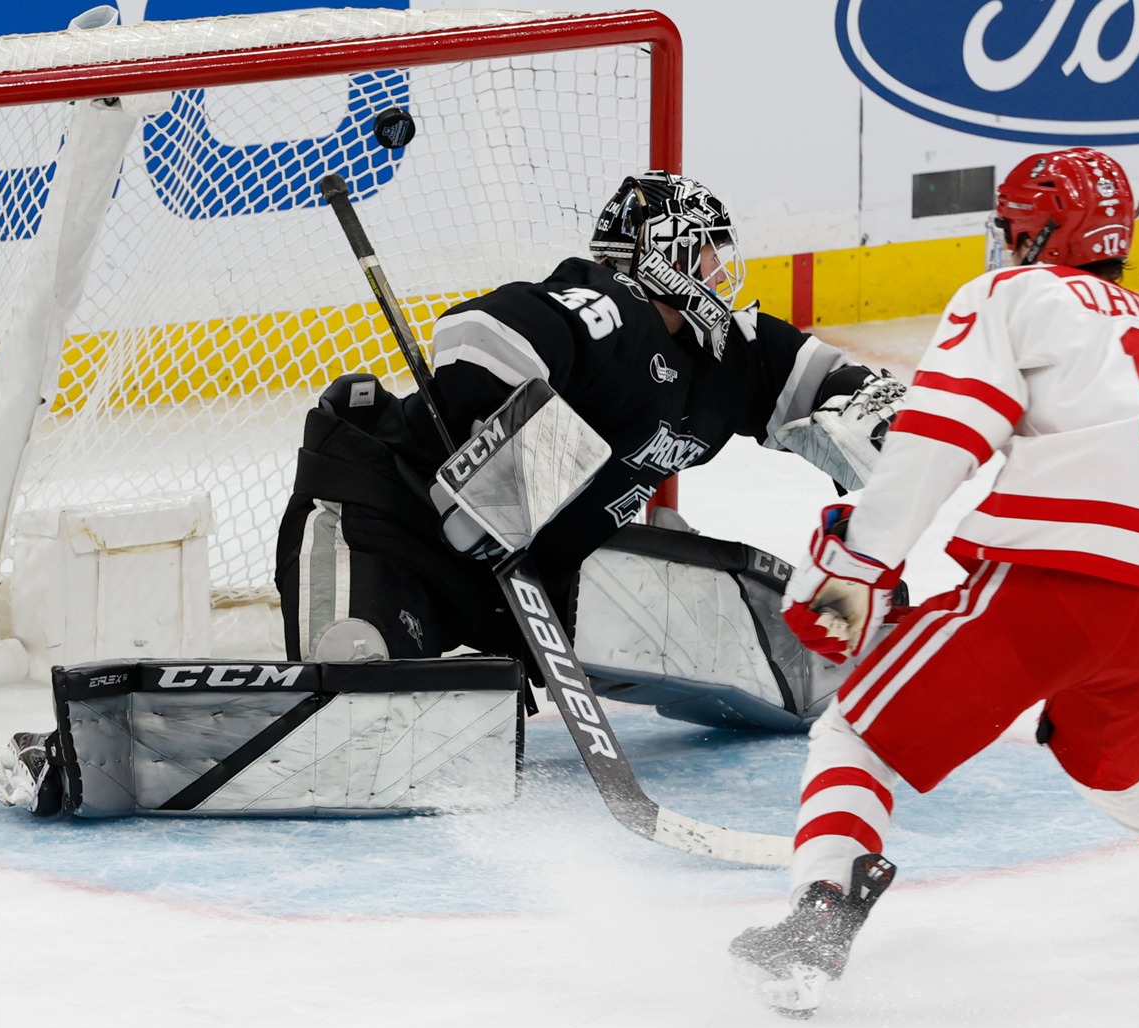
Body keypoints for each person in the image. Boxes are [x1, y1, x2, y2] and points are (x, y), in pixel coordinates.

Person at [729, 148, 1139, 1019]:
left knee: (859, 734)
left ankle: (819, 921)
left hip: (1051, 584)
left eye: (1006, 225)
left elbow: (939, 440)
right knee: (1120, 759)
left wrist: (858, 564)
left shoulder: (1012, 296)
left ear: (1037, 230)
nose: (998, 240)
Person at [277, 171, 903, 669]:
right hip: (392, 523)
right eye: (708, 252)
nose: (722, 270)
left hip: (521, 579)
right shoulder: (610, 305)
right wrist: (490, 467)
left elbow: (839, 399)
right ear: (664, 252)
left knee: (673, 593)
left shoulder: (731, 354)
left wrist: (876, 506)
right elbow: (477, 336)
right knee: (356, 681)